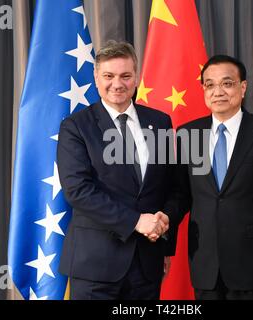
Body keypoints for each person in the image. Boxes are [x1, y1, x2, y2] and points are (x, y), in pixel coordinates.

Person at [57, 40, 175, 299]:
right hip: (95, 267)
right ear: (97, 79)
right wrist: (136, 221)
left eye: (125, 75)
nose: (117, 84)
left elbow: (172, 185)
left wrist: (165, 222)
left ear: (136, 79)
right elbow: (78, 191)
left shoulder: (160, 122)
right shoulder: (75, 127)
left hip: (147, 264)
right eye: (109, 76)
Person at [171, 54, 253, 300]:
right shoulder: (188, 134)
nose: (218, 91)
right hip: (205, 262)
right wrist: (163, 225)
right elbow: (181, 195)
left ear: (243, 87)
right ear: (204, 90)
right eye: (210, 84)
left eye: (227, 83)